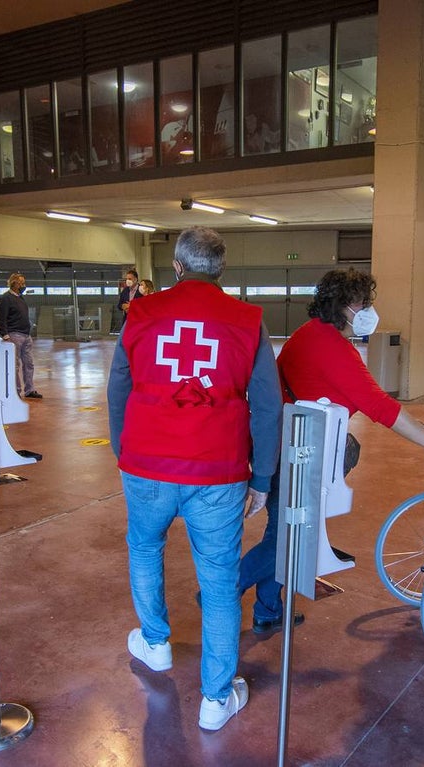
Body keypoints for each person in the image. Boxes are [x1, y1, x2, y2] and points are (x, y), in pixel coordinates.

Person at [107, 226, 282, 732]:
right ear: (220, 270)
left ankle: (156, 644)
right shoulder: (248, 321)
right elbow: (266, 405)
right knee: (220, 580)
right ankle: (215, 697)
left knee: (144, 548)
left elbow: (120, 384)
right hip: (219, 472)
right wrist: (263, 478)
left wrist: (126, 450)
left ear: (177, 267)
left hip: (146, 465)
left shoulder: (140, 313)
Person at [239, 268, 424, 633]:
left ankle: (268, 609)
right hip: (299, 452)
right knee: (289, 536)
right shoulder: (328, 345)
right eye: (363, 303)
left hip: (290, 445)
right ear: (345, 307)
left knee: (283, 532)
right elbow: (380, 406)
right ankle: (222, 592)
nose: (368, 310)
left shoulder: (312, 334)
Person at [0, 273, 42, 399]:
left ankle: (29, 389)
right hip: (14, 334)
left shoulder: (21, 298)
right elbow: (2, 318)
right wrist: (5, 335)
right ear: (14, 283)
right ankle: (15, 391)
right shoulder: (6, 298)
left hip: (26, 335)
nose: (23, 285)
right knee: (15, 365)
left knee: (29, 363)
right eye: (21, 283)